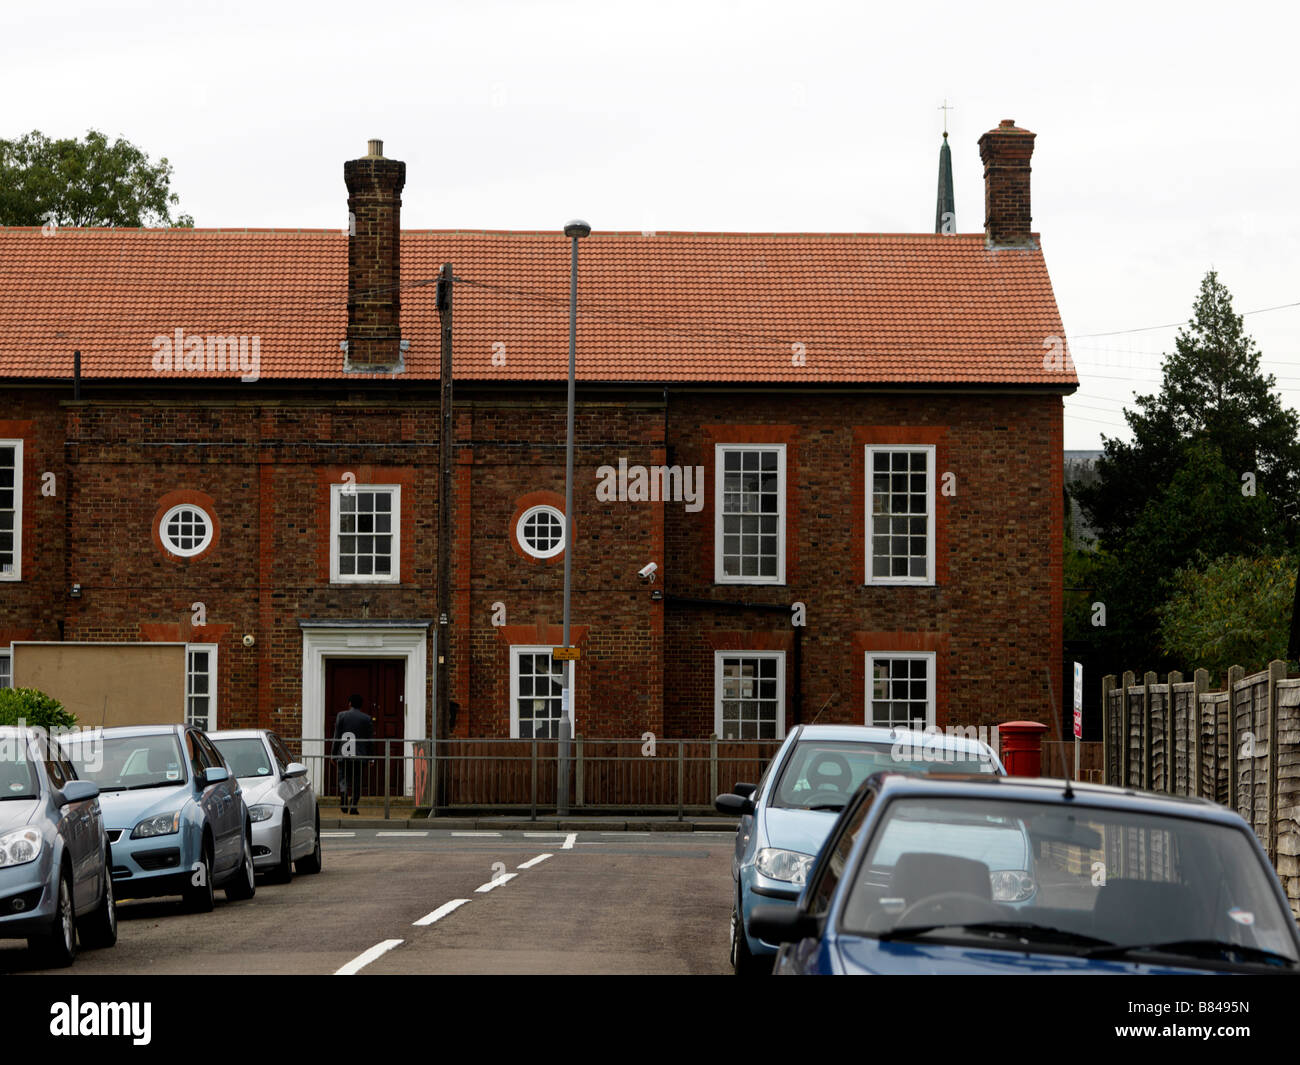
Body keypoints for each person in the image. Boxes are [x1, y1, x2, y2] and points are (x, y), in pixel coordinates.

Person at [333, 694, 373, 815]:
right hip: (359, 756)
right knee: (357, 781)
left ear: (349, 703)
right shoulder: (366, 718)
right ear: (361, 705)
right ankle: (354, 806)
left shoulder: (341, 715)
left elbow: (337, 736)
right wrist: (371, 758)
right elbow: (369, 740)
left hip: (344, 754)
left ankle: (344, 793)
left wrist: (334, 754)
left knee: (343, 778)